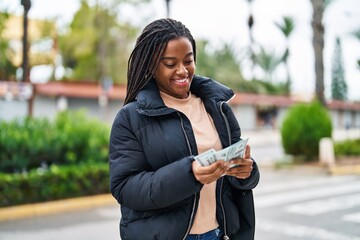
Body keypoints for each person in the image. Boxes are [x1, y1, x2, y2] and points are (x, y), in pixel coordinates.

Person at [109, 18, 260, 240]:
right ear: (151, 65)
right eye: (170, 64)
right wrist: (189, 173)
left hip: (219, 234)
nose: (182, 71)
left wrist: (247, 172)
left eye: (188, 61)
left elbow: (241, 180)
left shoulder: (218, 108)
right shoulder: (130, 118)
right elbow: (126, 188)